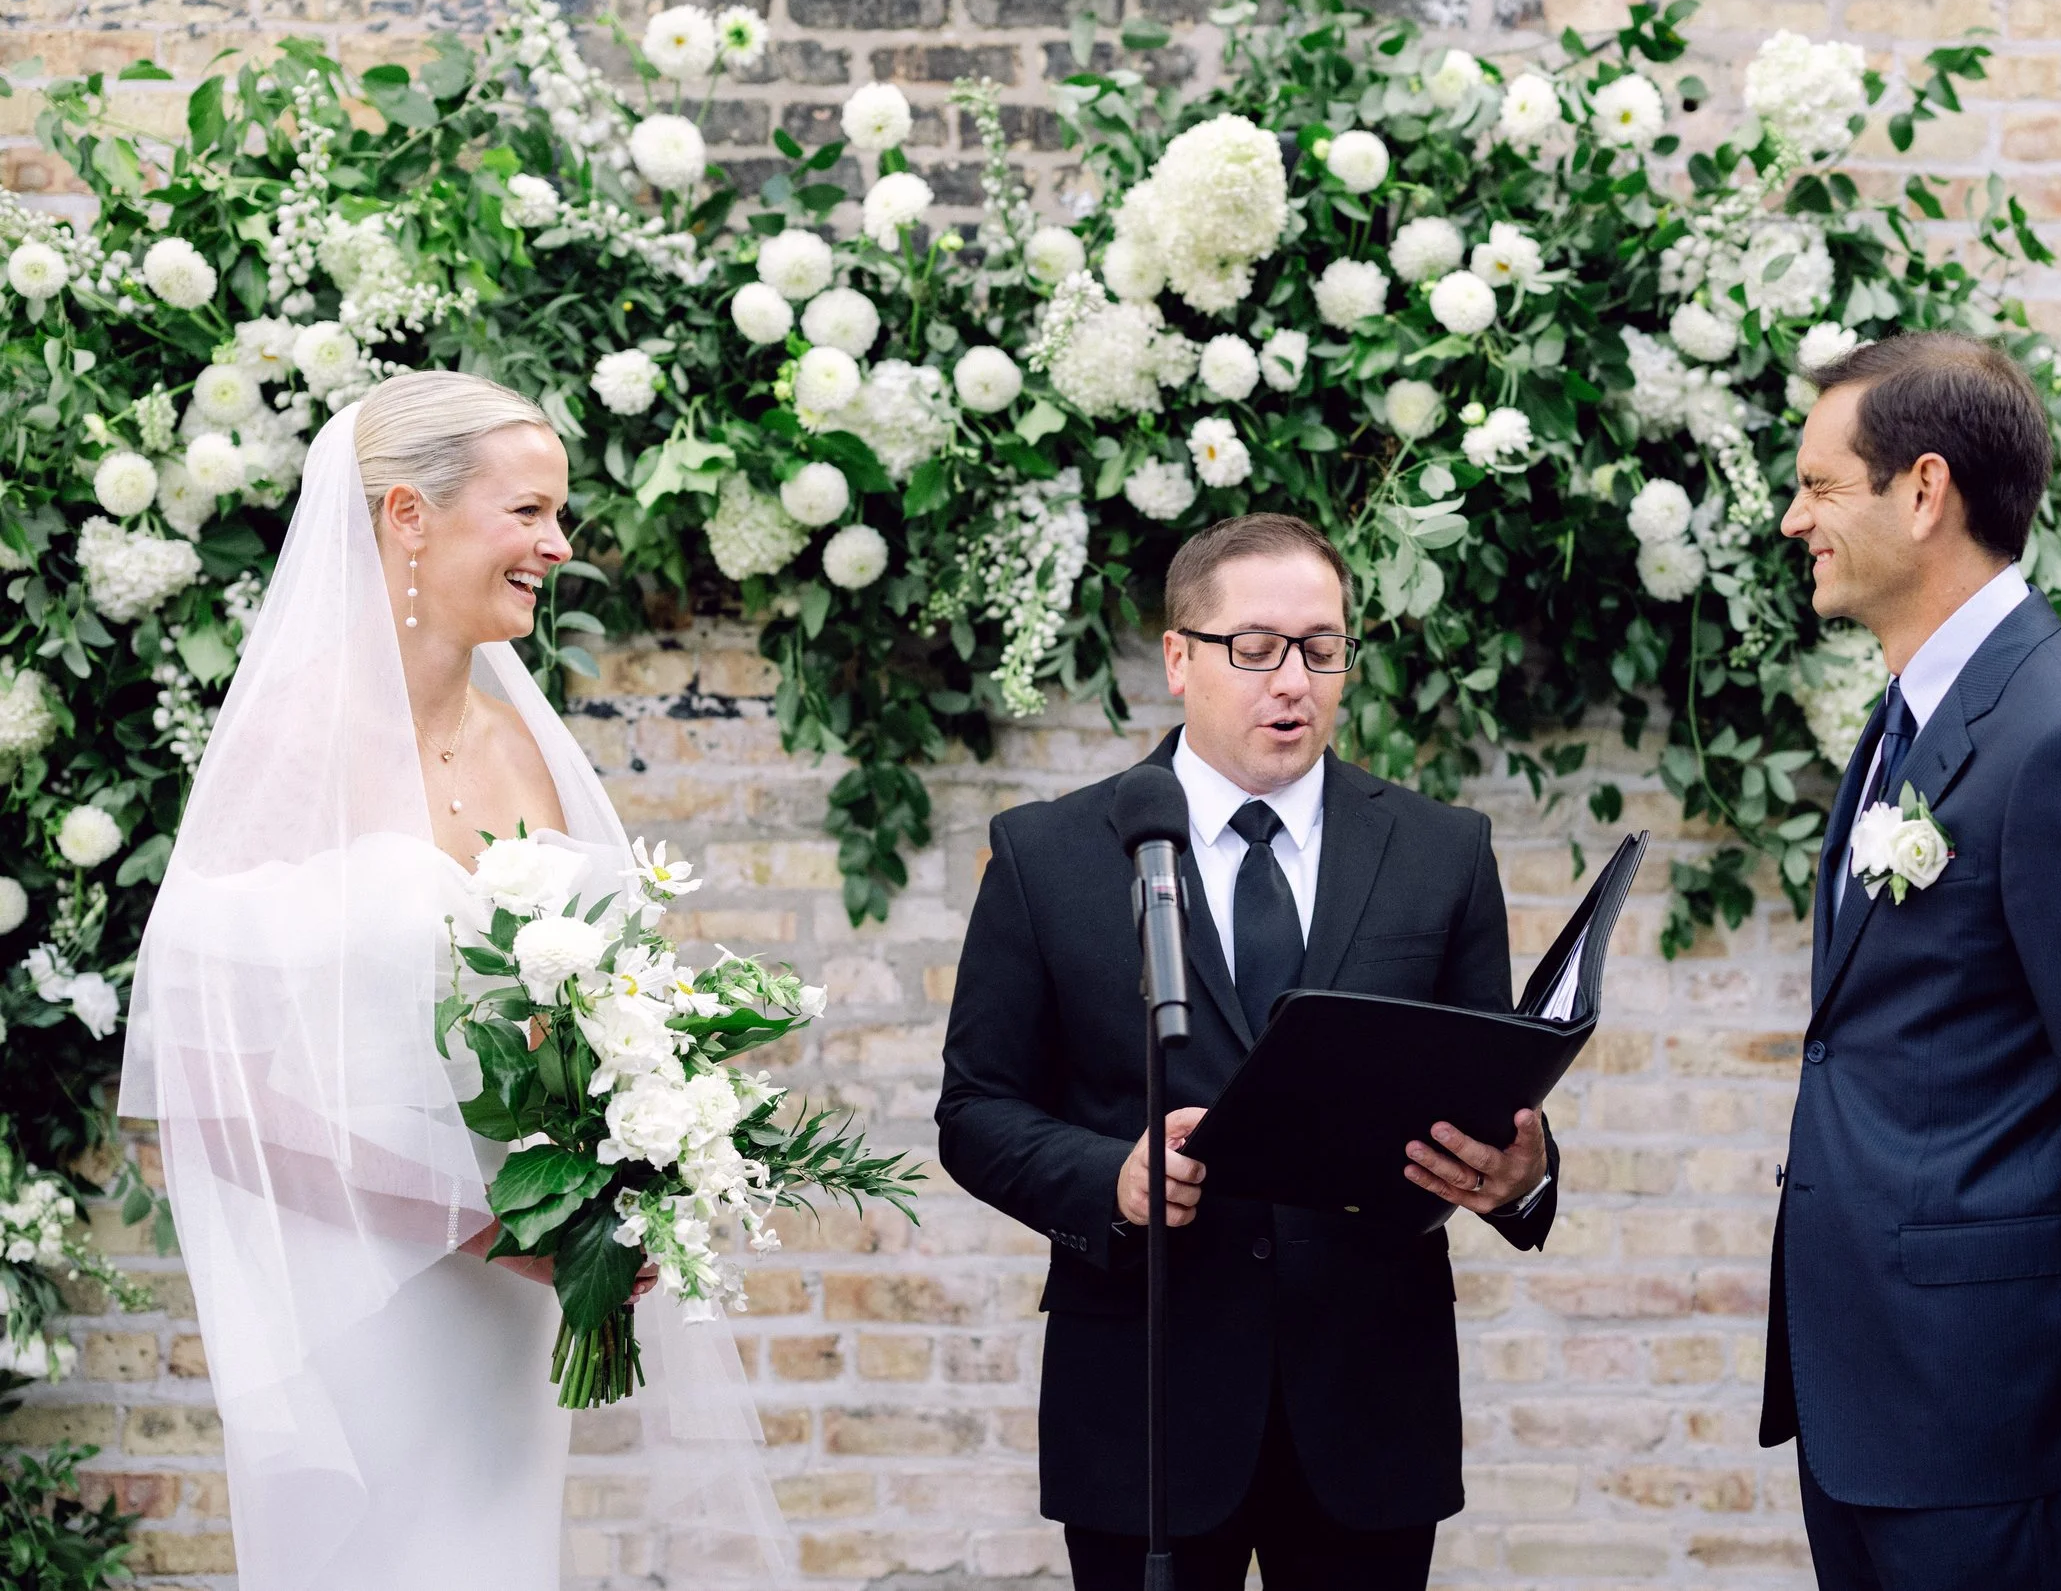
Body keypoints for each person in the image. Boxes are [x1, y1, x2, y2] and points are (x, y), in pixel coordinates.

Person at [121, 372, 784, 1590]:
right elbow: (213, 1088)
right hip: (365, 1292)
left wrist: (616, 1173)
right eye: (528, 510)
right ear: (409, 516)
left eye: (558, 514)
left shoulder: (517, 736)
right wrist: (479, 1222)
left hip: (509, 1296)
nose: (558, 543)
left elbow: (586, 1010)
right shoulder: (291, 743)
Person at [936, 513, 1558, 1590]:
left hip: (1369, 1399)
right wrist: (1114, 1178)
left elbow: (1482, 1084)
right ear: (1179, 657)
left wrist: (1522, 1178)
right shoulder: (1049, 853)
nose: (1296, 680)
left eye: (1324, 647)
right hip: (1145, 1401)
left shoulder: (1442, 851)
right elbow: (976, 1108)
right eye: (1257, 646)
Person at [1760, 332, 2061, 1588]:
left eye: (1819, 484)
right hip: (1882, 1405)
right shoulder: (1905, 718)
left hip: (1995, 1416)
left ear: (1923, 493)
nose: (1793, 515)